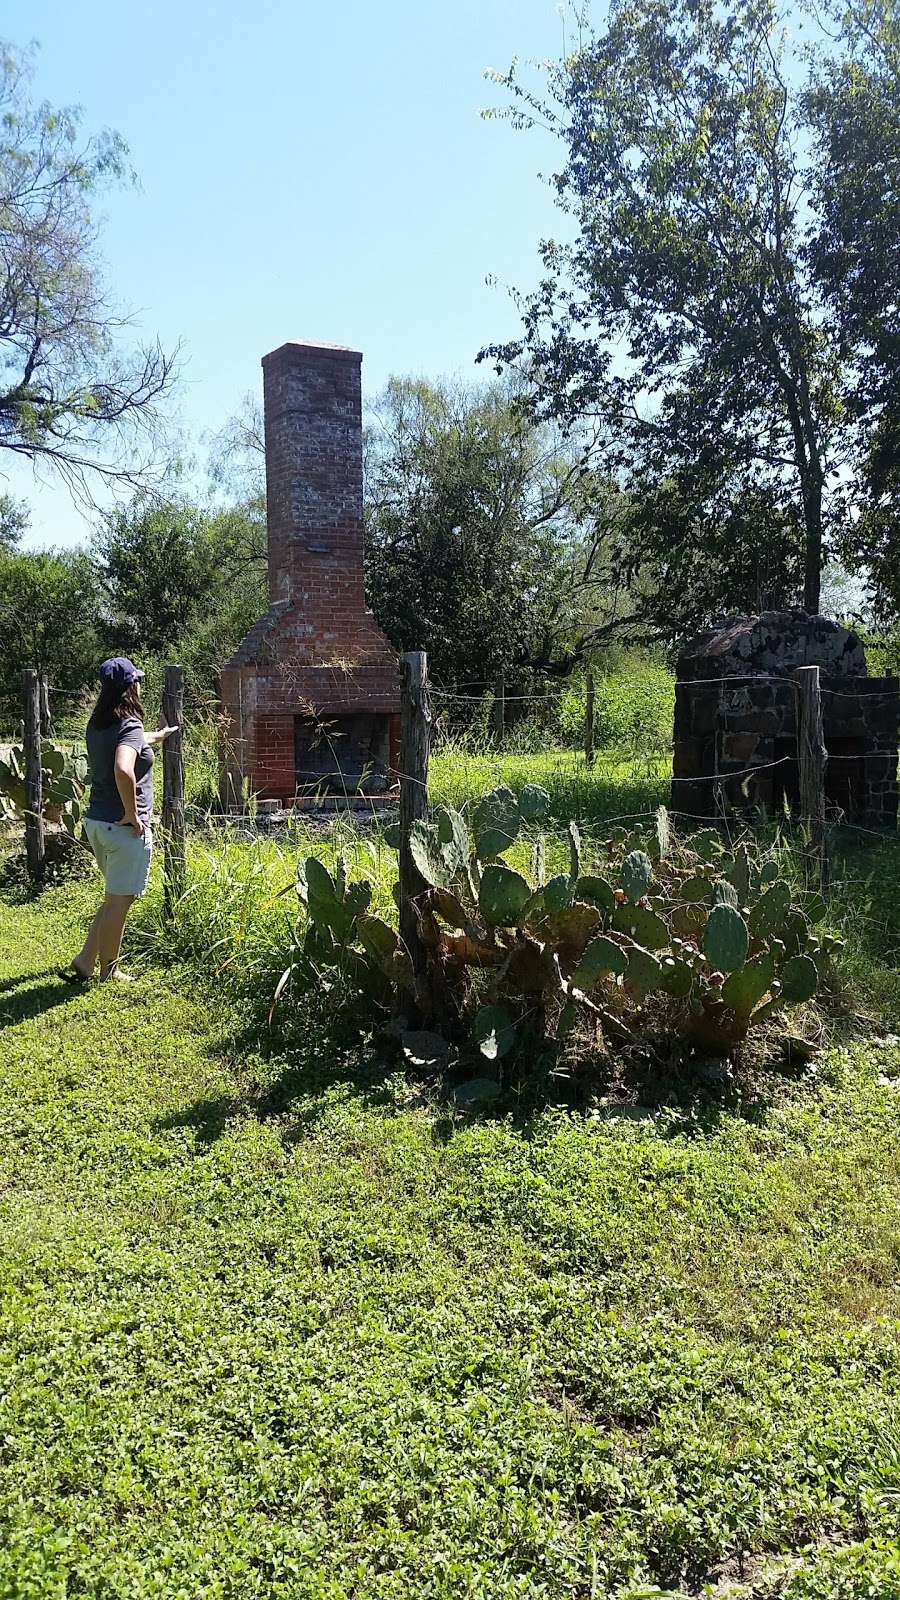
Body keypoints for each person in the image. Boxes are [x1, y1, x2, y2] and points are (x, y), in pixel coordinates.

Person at [64, 658, 177, 983]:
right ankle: (110, 971)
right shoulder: (129, 723)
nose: (139, 684)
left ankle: (85, 961)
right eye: (137, 680)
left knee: (113, 899)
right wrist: (132, 813)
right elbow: (123, 768)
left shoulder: (98, 723)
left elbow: (131, 743)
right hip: (123, 826)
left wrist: (158, 735)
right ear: (130, 687)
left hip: (97, 824)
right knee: (120, 903)